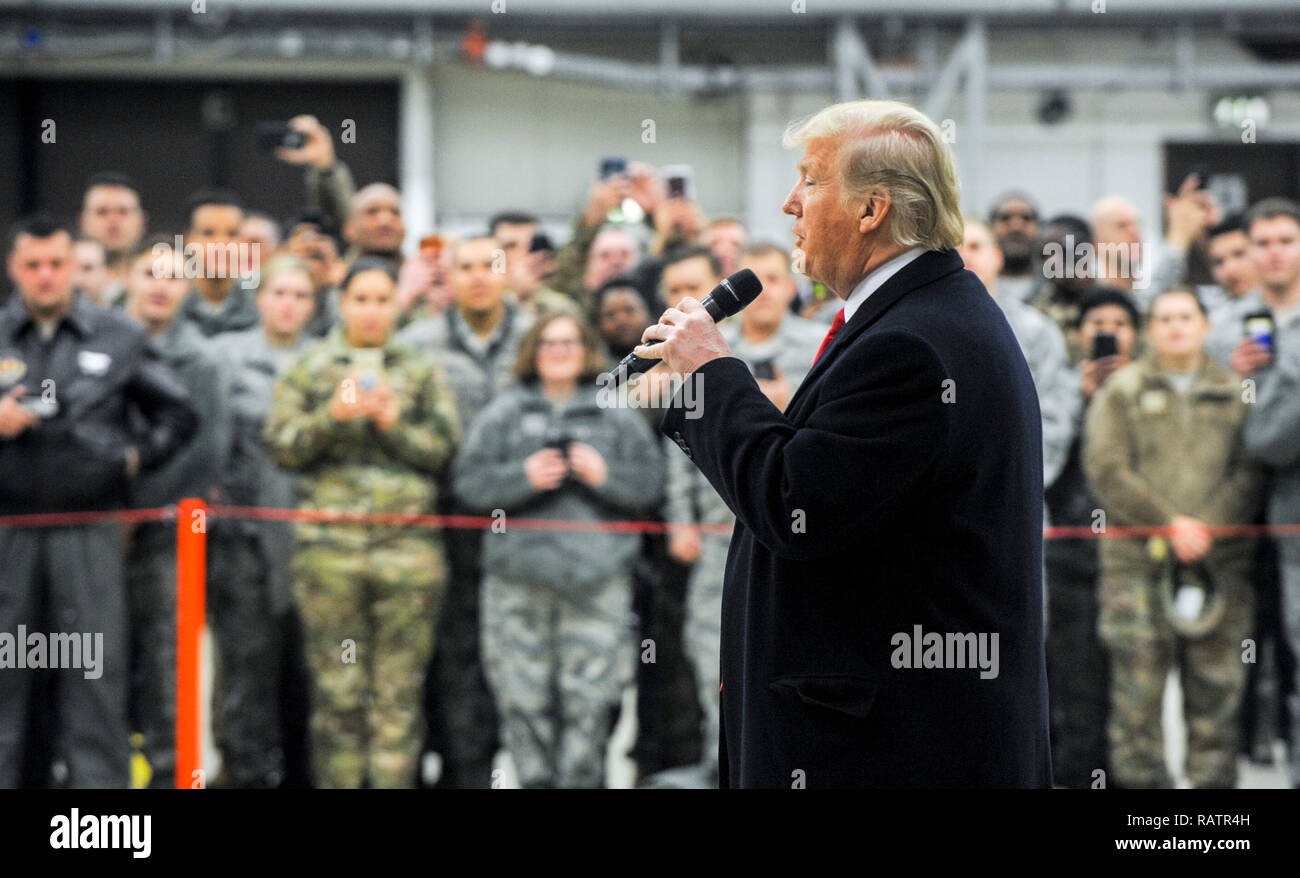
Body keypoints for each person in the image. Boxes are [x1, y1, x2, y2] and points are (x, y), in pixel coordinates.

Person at [638, 99, 1051, 788]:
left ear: (871, 211)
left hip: (887, 749)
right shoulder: (923, 313)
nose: (788, 203)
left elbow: (792, 501)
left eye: (809, 180)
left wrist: (712, 373)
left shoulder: (910, 344)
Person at [0, 216, 197, 788]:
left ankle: (102, 818)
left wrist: (132, 458)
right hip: (7, 530)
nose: (45, 276)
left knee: (92, 678)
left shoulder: (119, 335)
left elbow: (180, 415)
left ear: (74, 267)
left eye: (56, 264)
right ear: (15, 269)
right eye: (33, 265)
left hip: (89, 531)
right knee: (9, 679)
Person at [264, 257, 460, 788]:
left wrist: (395, 424)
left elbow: (444, 449)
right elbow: (280, 445)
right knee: (337, 695)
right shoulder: (310, 367)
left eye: (381, 300)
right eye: (360, 300)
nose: (371, 311)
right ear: (342, 303)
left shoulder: (419, 368)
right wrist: (334, 416)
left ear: (396, 304)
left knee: (398, 696)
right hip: (329, 554)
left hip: (407, 554)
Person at [452, 311, 664, 787]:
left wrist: (604, 477)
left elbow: (650, 487)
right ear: (532, 351)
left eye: (569, 342)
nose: (559, 351)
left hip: (596, 587)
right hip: (517, 587)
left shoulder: (615, 411)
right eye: (548, 342)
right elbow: (468, 483)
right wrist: (520, 479)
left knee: (589, 705)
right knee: (522, 703)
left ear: (586, 349)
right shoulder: (504, 413)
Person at [1085, 287, 1262, 788]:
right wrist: (1170, 524)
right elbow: (1108, 470)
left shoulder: (1235, 391)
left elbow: (1249, 471)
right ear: (1150, 329)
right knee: (1136, 705)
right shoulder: (1123, 390)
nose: (1176, 326)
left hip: (1218, 566)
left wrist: (1205, 527)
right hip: (1135, 568)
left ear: (1205, 325)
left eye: (1186, 316)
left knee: (1217, 699)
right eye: (1163, 318)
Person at [663, 241, 825, 785]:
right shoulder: (709, 348)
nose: (767, 293)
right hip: (715, 524)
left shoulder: (819, 346)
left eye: (778, 279)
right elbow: (681, 445)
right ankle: (720, 762)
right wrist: (680, 519)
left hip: (787, 520)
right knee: (708, 642)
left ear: (790, 287)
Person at [399, 235, 534, 788]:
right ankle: (463, 771)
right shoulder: (417, 344)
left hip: (525, 523)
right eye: (467, 267)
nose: (478, 277)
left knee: (515, 655)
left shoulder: (536, 340)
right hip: (442, 523)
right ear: (448, 278)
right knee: (451, 654)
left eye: (490, 266)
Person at [208, 255, 321, 788]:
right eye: (280, 293)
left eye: (301, 296)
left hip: (314, 546)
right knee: (247, 679)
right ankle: (245, 776)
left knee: (309, 682)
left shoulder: (328, 362)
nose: (289, 305)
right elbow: (207, 446)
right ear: (259, 299)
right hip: (243, 545)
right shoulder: (224, 358)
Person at [121, 239, 229, 789]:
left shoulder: (202, 361)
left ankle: (170, 777)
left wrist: (139, 511)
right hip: (99, 536)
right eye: (150, 274)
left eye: (171, 276)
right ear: (128, 277)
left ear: (185, 288)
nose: (159, 286)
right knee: (95, 662)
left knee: (169, 667)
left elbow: (206, 454)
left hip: (168, 539)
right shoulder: (100, 342)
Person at [1042, 287, 1139, 787]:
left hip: (1140, 558)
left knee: (1133, 695)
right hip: (1068, 557)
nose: (1108, 332)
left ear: (1136, 334)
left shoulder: (1151, 388)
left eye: (1120, 323)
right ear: (1079, 334)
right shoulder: (1056, 386)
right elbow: (1041, 469)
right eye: (1097, 322)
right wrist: (1078, 403)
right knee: (1074, 688)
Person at [1237, 198, 1300, 786]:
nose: (1275, 251)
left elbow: (1271, 439)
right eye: (1264, 241)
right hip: (1233, 517)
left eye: (1286, 239)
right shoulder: (1228, 326)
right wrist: (1235, 384)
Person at [960, 219, 1078, 490]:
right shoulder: (921, 327)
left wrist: (1016, 483)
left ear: (997, 257)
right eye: (952, 248)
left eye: (975, 246)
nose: (964, 255)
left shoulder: (1037, 331)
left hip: (1017, 496)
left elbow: (1053, 422)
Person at [178, 189, 258, 338]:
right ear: (187, 240)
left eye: (232, 234)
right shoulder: (171, 304)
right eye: (208, 233)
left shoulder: (261, 304)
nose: (221, 244)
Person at [78, 172, 147, 307]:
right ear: (82, 221)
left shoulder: (162, 280)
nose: (113, 222)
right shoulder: (65, 281)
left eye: (123, 212)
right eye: (102, 212)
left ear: (142, 221)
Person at [987, 191, 1040, 304]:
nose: (1016, 227)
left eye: (1026, 218)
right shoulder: (974, 290)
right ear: (990, 228)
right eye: (1005, 218)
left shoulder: (1054, 290)